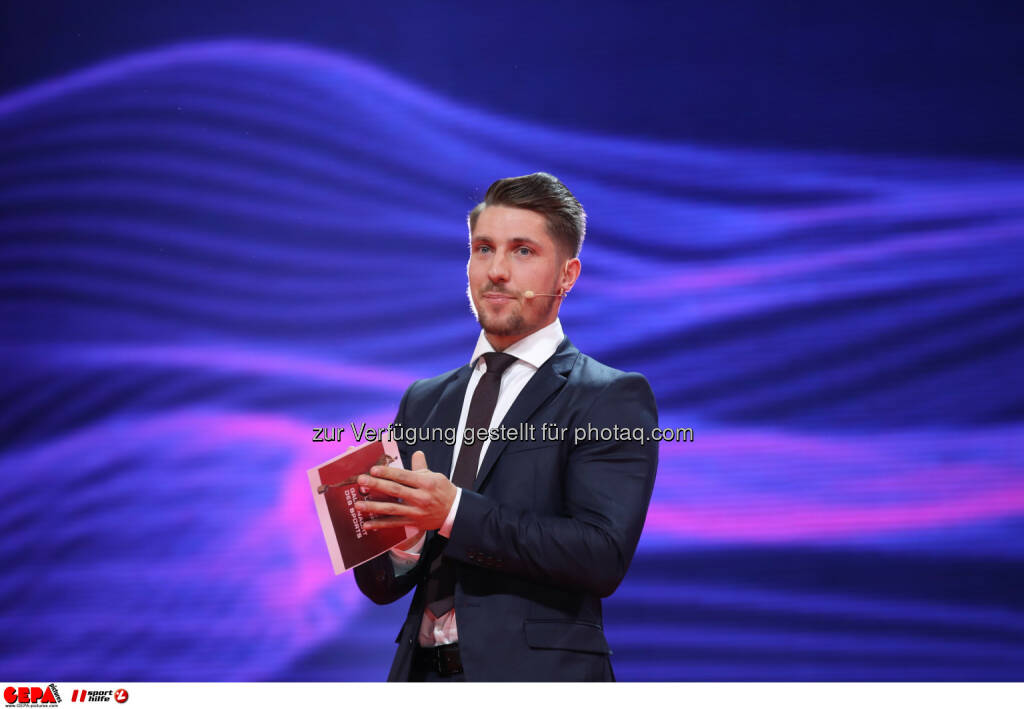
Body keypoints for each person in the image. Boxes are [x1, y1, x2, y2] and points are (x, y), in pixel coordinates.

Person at [353, 172, 658, 681]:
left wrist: (450, 511)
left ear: (568, 275)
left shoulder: (608, 396)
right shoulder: (424, 400)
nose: (495, 271)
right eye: (482, 248)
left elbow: (601, 555)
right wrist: (400, 536)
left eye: (522, 252)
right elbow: (382, 586)